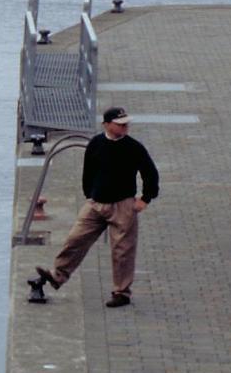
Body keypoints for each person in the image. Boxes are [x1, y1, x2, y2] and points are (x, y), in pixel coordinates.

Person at [34, 106, 159, 308]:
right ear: (107, 125)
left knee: (122, 251)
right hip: (96, 203)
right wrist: (89, 196)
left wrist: (145, 199)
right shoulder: (96, 143)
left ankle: (121, 292)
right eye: (120, 124)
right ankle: (57, 276)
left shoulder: (133, 147)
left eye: (126, 124)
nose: (125, 127)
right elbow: (88, 171)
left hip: (123, 205)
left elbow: (150, 173)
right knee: (75, 239)